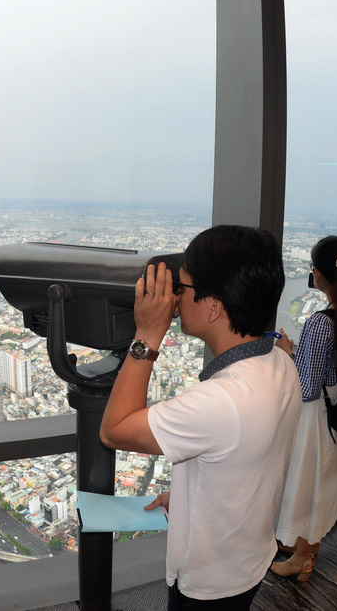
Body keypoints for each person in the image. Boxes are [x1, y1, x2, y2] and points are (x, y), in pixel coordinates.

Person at [99, 225, 300, 609]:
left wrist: (147, 335)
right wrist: (191, 498)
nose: (175, 297)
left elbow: (114, 430)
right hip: (250, 559)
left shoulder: (221, 401)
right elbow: (245, 459)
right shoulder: (280, 362)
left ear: (213, 307)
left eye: (183, 288)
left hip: (208, 586)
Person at [270, 236, 337, 582]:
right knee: (325, 483)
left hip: (318, 417)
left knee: (306, 486)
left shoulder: (319, 324)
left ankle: (301, 559)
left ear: (317, 274)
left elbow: (304, 386)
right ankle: (308, 550)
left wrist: (289, 352)